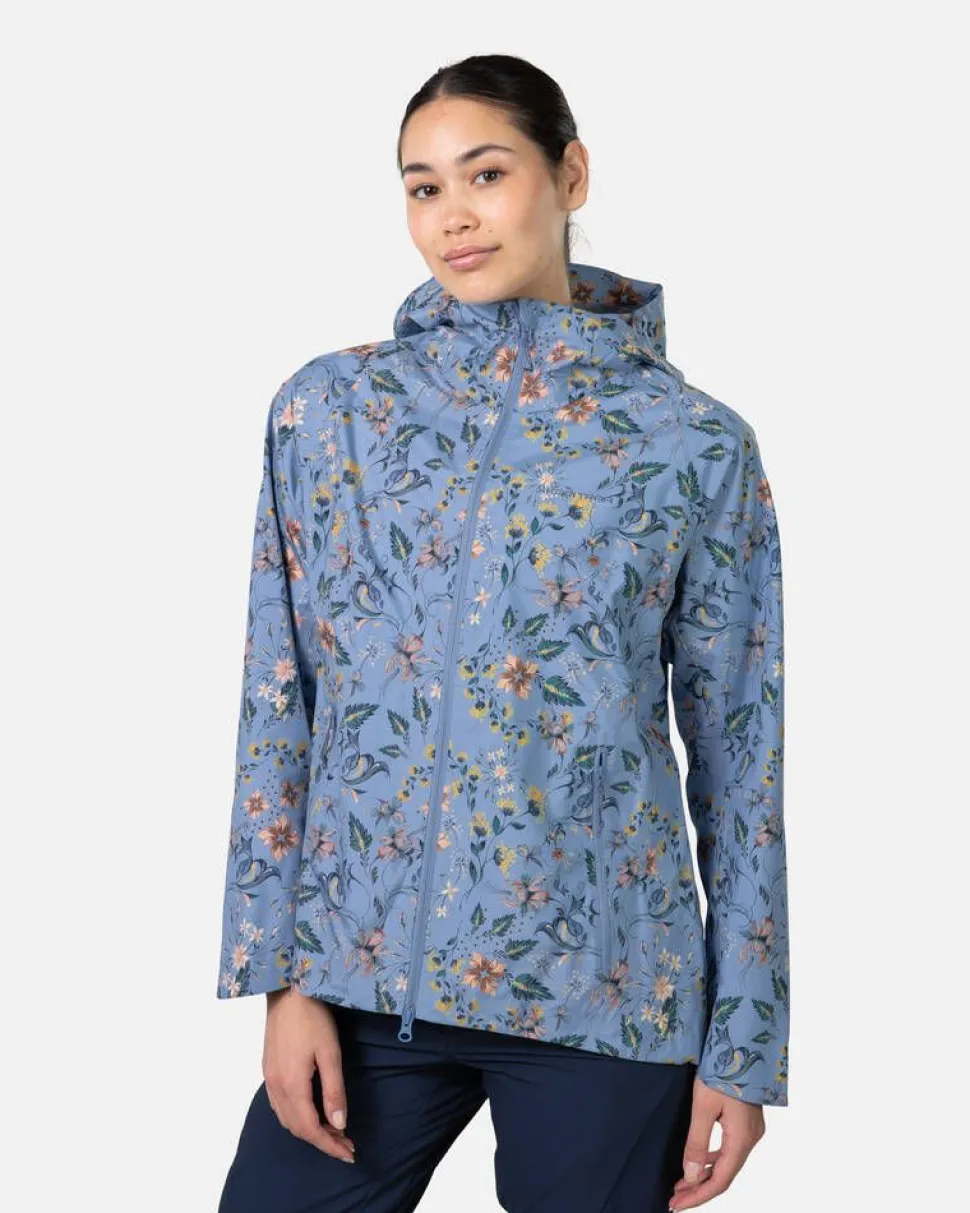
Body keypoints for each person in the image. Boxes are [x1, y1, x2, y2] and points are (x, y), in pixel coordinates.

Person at [216, 52, 789, 1213]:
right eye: (422, 186)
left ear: (569, 176)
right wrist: (282, 979)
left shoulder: (692, 444)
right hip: (360, 985)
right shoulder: (327, 413)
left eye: (487, 174)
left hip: (607, 994)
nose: (453, 215)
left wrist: (743, 1046)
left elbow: (742, 758)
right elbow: (280, 701)